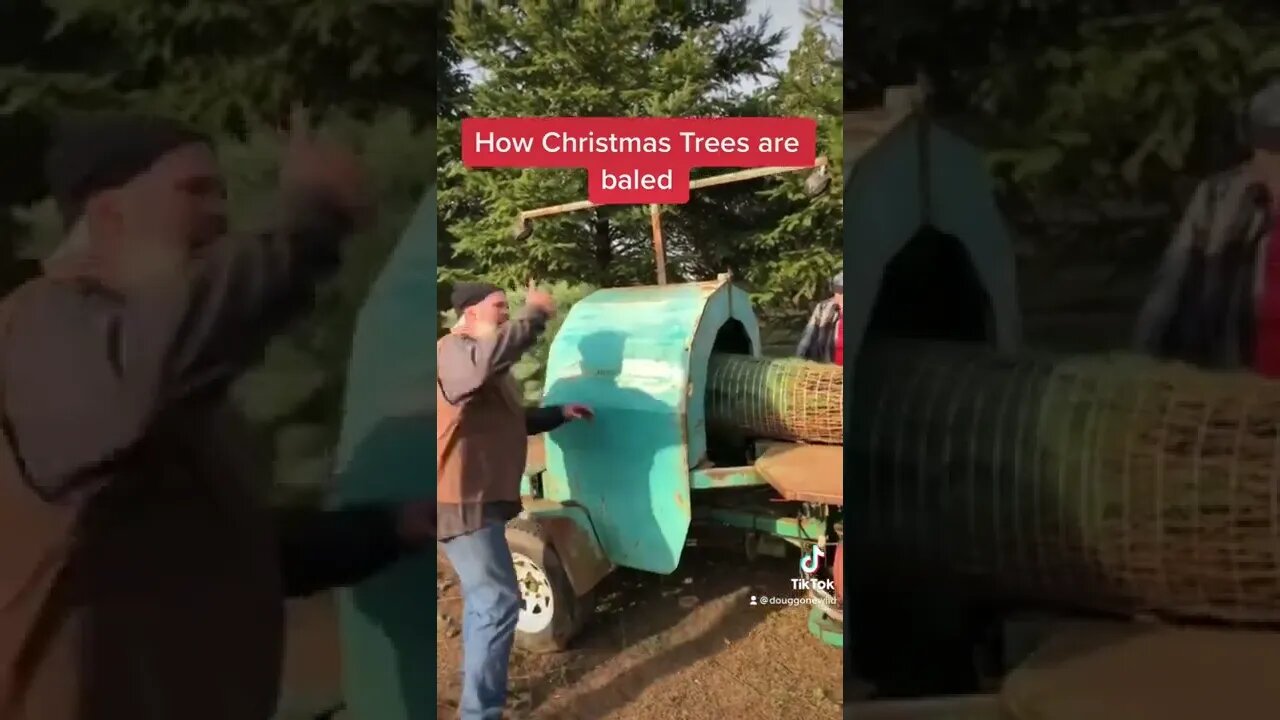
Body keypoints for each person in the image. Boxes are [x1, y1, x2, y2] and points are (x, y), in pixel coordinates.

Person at [0, 111, 435, 720]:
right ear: (108, 215)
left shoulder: (138, 380)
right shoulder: (36, 331)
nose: (220, 213)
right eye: (194, 190)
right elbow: (158, 363)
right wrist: (311, 219)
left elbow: (208, 553)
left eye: (222, 192)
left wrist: (383, 531)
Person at [436, 281, 593, 720]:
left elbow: (508, 421)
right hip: (459, 502)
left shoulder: (478, 363)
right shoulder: (453, 352)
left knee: (486, 599)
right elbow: (480, 367)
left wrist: (557, 414)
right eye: (498, 307)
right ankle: (479, 713)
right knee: (498, 601)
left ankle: (476, 697)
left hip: (477, 501)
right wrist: (535, 314)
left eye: (509, 307)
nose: (506, 313)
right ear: (468, 313)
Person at [1134, 78, 1280, 373]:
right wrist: (1144, 368)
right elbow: (1171, 287)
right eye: (1268, 154)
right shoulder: (1220, 199)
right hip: (1235, 392)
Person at [797, 271, 844, 363]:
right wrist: (800, 357)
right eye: (838, 291)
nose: (840, 296)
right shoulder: (823, 308)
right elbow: (808, 335)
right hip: (830, 367)